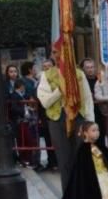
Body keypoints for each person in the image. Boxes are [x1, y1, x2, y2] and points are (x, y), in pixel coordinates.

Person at [37, 51, 94, 187]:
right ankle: (69, 198)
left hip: (78, 117)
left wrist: (90, 123)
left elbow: (87, 99)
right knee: (64, 160)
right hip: (57, 119)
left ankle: (83, 195)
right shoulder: (47, 75)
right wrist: (60, 90)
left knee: (81, 158)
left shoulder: (79, 74)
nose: (60, 56)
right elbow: (45, 101)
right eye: (57, 53)